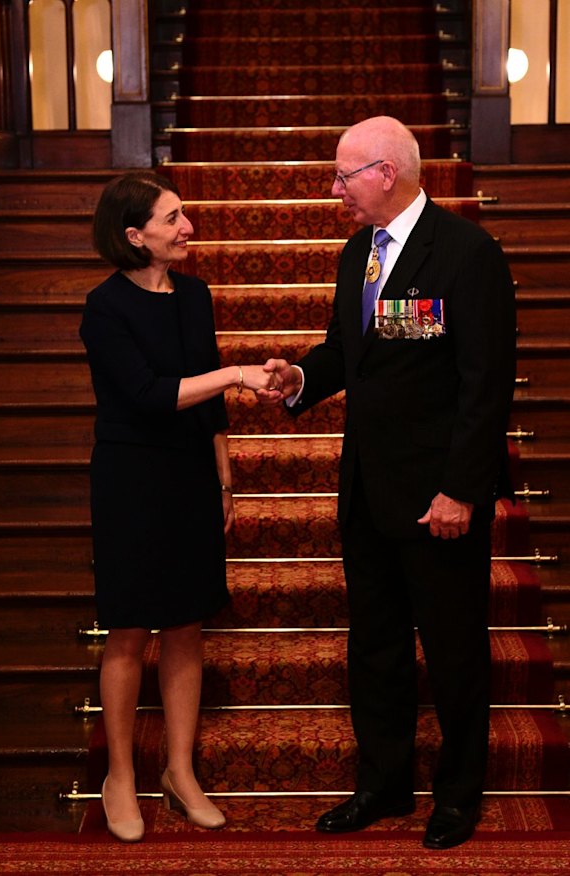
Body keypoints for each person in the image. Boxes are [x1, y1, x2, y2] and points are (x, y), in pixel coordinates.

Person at [260, 116, 516, 849]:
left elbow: (485, 385)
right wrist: (302, 378)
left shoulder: (467, 254)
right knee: (374, 647)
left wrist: (462, 490)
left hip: (439, 499)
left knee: (455, 649)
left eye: (343, 175)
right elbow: (353, 351)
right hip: (367, 492)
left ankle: (459, 794)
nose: (333, 188)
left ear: (385, 173)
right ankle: (383, 783)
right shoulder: (358, 254)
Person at [80, 171, 280, 842]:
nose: (187, 226)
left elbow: (210, 404)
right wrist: (236, 372)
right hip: (131, 479)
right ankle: (119, 777)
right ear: (135, 236)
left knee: (187, 624)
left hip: (193, 475)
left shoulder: (195, 296)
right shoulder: (103, 308)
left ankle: (179, 771)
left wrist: (224, 478)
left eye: (183, 213)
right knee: (132, 629)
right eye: (172, 218)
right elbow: (147, 395)